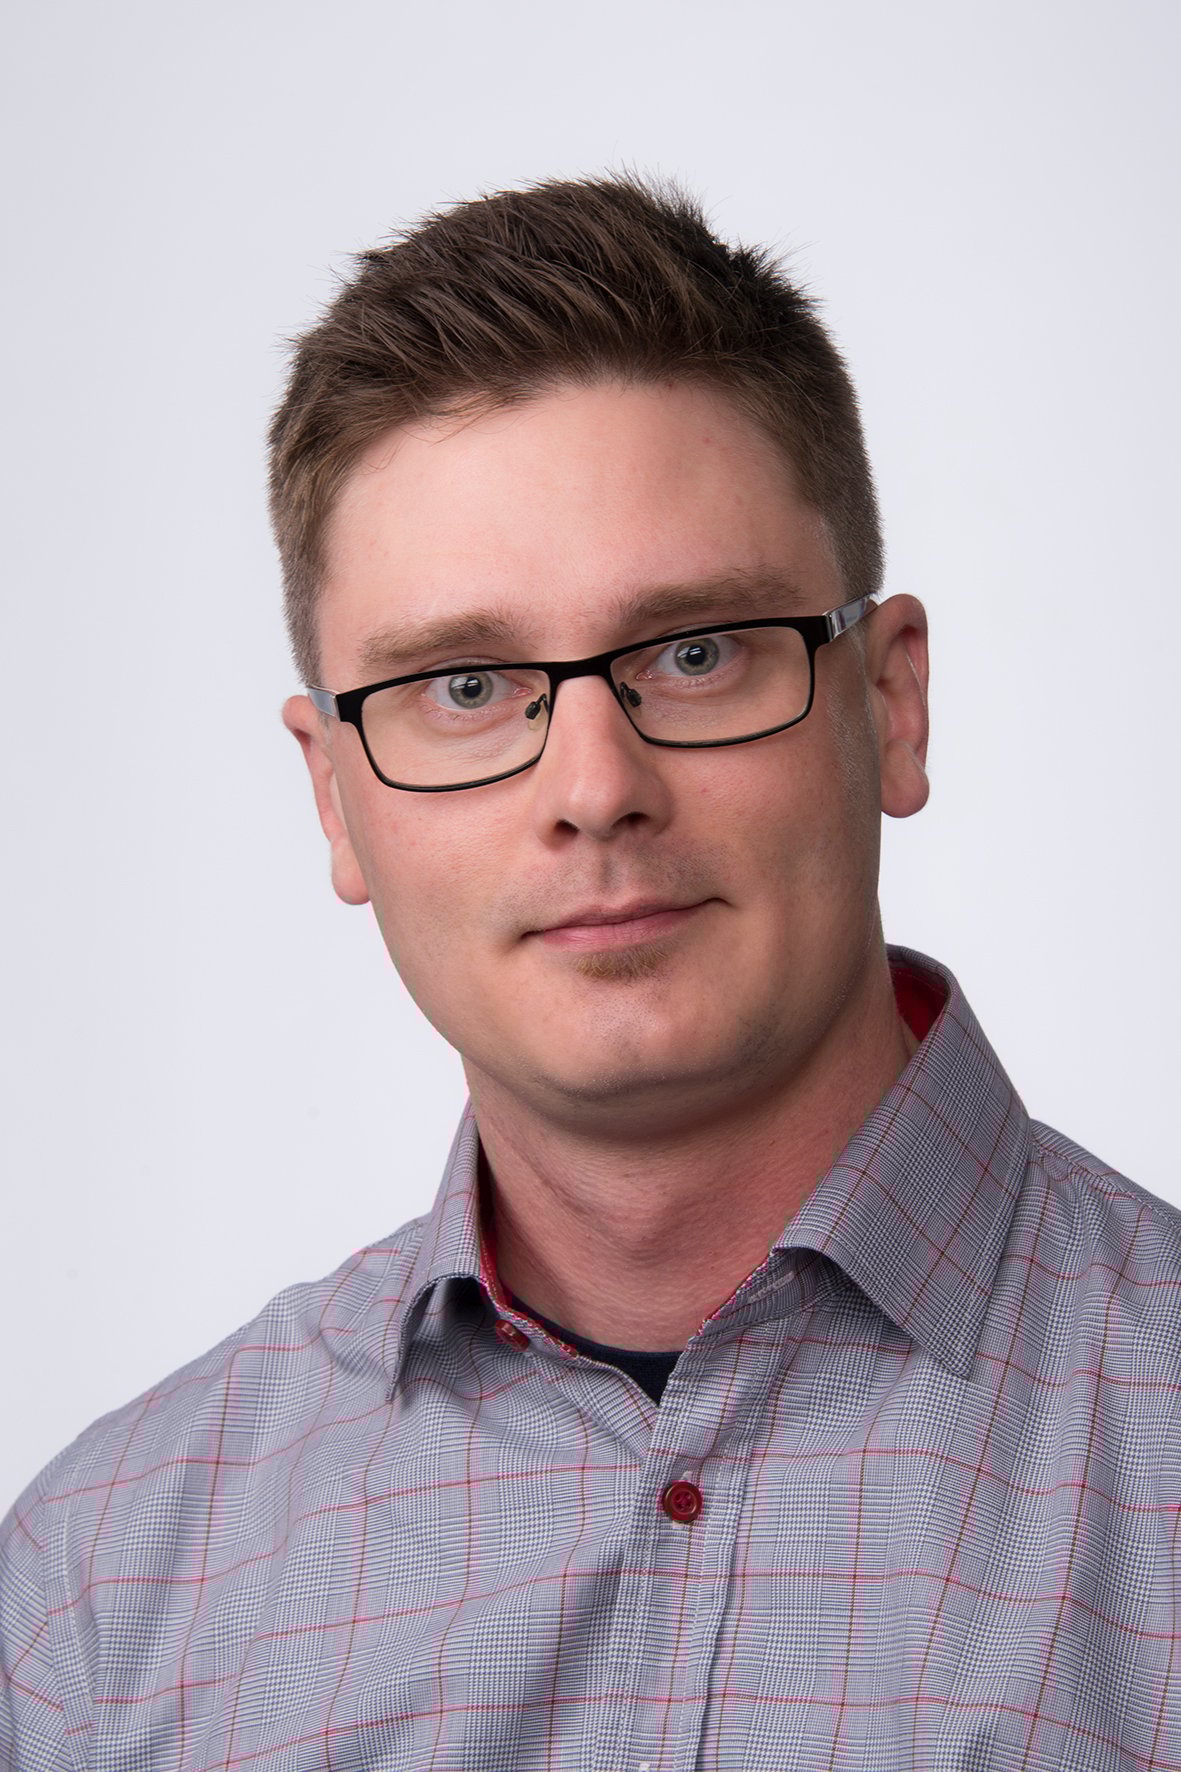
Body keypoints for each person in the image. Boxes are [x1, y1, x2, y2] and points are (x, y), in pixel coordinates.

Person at [2, 175, 1178, 1772]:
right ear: (335, 798)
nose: (594, 787)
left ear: (889, 705)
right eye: (464, 686)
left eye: (696, 652)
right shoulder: (93, 1607)